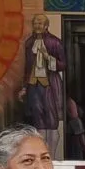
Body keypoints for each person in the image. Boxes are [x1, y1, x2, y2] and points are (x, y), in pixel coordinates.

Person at [18, 15, 66, 158]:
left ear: (46, 25)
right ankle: (40, 153)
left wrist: (48, 57)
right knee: (37, 117)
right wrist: (24, 88)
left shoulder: (55, 42)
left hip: (50, 85)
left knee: (51, 120)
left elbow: (63, 65)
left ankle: (52, 155)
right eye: (35, 23)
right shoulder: (29, 43)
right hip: (34, 85)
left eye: (40, 23)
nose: (37, 25)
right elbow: (27, 68)